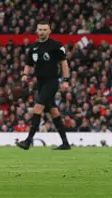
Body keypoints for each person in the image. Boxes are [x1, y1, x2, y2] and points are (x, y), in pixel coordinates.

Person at [16, 21, 72, 151]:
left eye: (44, 29)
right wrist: (25, 74)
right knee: (53, 112)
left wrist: (66, 79)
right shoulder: (34, 47)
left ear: (49, 31)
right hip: (40, 82)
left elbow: (64, 63)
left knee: (37, 108)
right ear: (37, 31)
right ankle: (65, 143)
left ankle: (28, 141)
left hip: (51, 81)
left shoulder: (56, 46)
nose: (42, 32)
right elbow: (29, 64)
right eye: (40, 29)